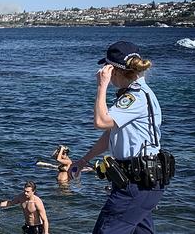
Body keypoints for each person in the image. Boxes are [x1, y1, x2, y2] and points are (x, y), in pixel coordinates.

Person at [69, 41, 173, 233]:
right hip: (143, 184)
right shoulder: (137, 95)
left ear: (114, 70)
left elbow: (101, 121)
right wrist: (84, 160)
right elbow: (110, 134)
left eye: (105, 68)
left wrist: (101, 87)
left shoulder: (135, 97)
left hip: (136, 185)